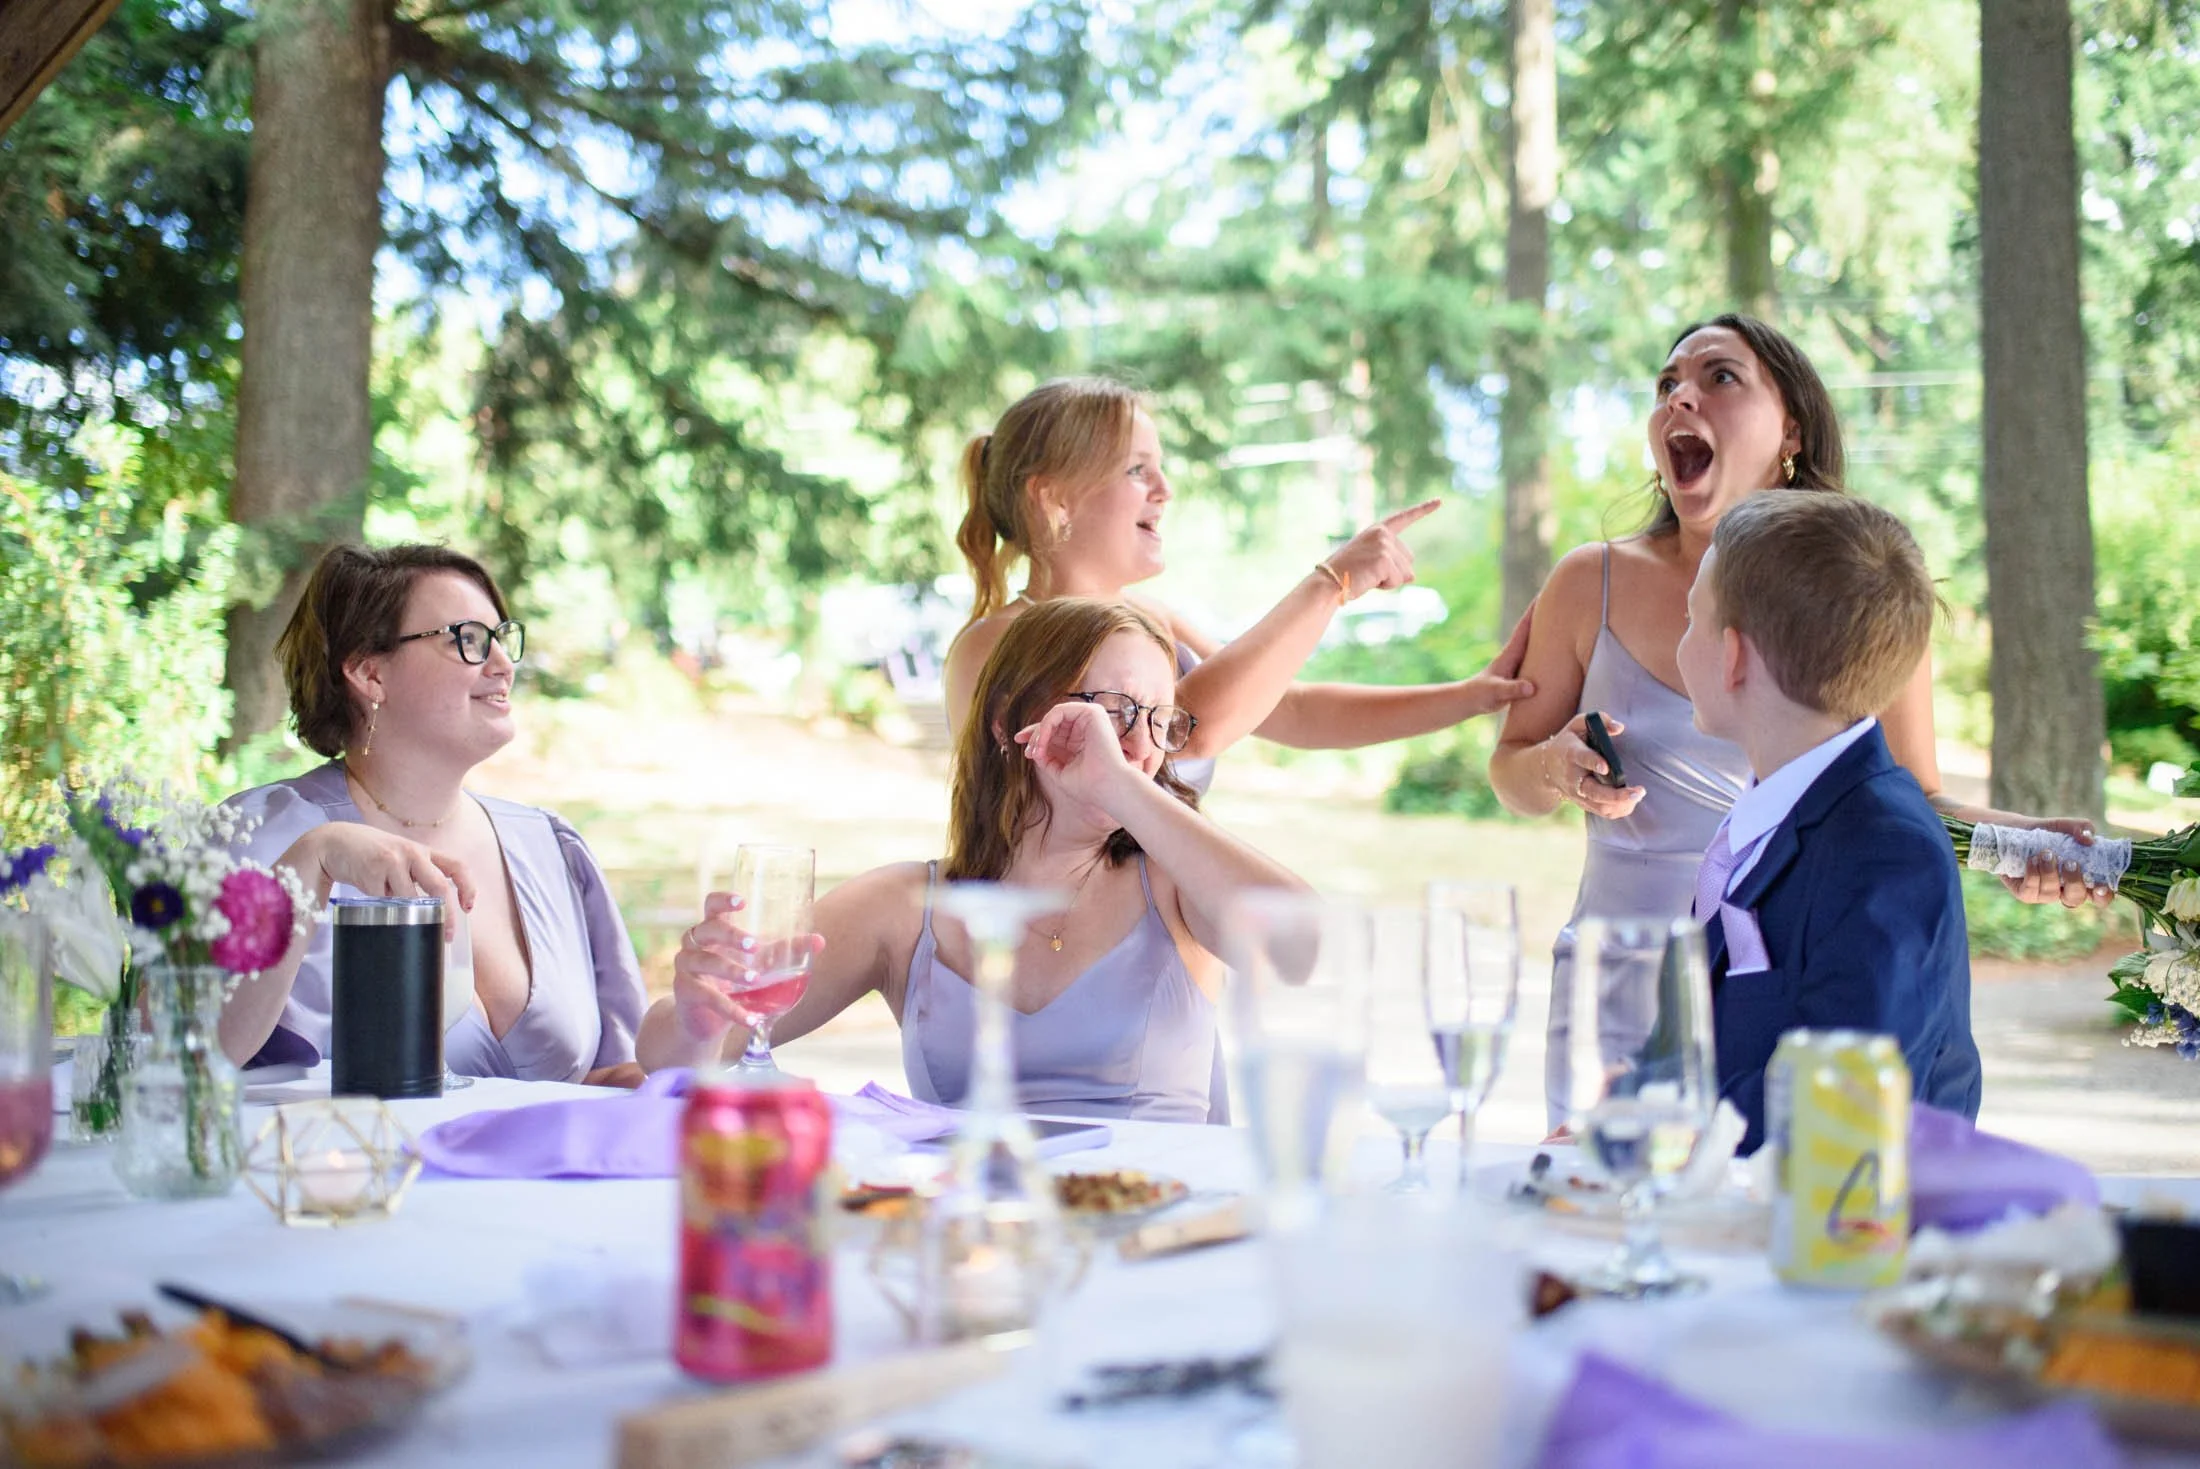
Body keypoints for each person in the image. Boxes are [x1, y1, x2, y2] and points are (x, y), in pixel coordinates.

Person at [1489, 314, 2099, 1126]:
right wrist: (1550, 767)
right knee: (1601, 1214)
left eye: (1719, 377)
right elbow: (1510, 770)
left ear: (1791, 432)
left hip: (1786, 979)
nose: (1681, 398)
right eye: (1667, 383)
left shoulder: (1864, 592)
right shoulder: (1584, 581)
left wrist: (2022, 842)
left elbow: (1898, 800)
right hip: (1622, 978)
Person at [671, 598, 1308, 1122]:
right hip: (980, 1235)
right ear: (1009, 720)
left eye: (1159, 720)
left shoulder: (1173, 879)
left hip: (1157, 1230)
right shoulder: (904, 906)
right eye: (1112, 711)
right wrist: (703, 1021)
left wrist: (1124, 790)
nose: (1138, 746)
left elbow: (1308, 947)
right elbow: (667, 1054)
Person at [221, 544, 721, 1083]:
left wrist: (691, 1035)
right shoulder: (259, 838)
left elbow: (597, 1084)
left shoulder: (551, 849)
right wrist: (313, 861)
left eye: (503, 639)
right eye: (469, 640)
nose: (504, 665)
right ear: (370, 674)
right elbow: (186, 1056)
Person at [943, 376, 1534, 792]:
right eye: (1136, 469)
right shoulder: (993, 646)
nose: (1164, 489)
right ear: (1054, 499)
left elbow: (1293, 711)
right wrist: (1331, 582)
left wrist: (1472, 696)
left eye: (1160, 467)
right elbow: (1185, 732)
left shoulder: (1156, 620)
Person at [1676, 492, 1980, 1151]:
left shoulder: (1887, 850)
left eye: (1690, 620)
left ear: (1733, 656)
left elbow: (1840, 1102)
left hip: (1842, 1238)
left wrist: (1665, 1128)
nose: (1679, 644)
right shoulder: (1784, 808)